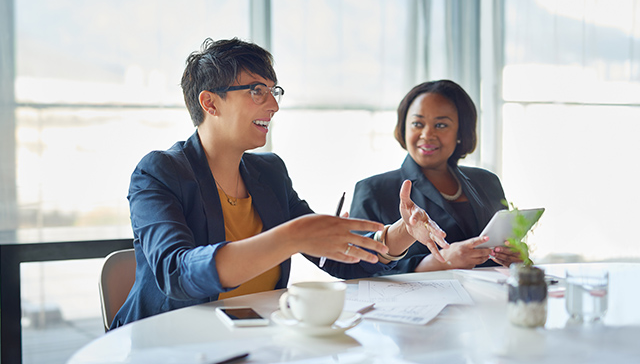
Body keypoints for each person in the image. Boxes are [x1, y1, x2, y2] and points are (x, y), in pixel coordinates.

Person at [111, 38, 449, 328]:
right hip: (166, 343)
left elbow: (334, 253)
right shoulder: (159, 172)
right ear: (210, 102)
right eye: (257, 91)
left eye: (273, 92)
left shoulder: (269, 172)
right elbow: (176, 273)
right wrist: (291, 236)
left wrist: (402, 231)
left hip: (251, 339)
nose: (273, 105)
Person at [350, 80, 522, 274]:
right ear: (404, 128)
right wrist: (439, 261)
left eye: (441, 125)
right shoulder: (373, 190)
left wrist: (514, 260)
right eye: (417, 124)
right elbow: (357, 271)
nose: (427, 134)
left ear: (460, 132)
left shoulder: (487, 182)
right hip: (415, 303)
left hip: (489, 300)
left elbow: (503, 251)